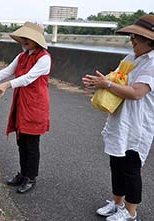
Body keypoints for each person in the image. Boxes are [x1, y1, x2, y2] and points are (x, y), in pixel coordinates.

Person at [82, 14, 154, 221]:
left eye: (137, 38)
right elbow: (115, 79)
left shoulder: (151, 63)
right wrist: (99, 82)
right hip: (120, 119)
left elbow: (137, 92)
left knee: (131, 168)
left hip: (137, 124)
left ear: (150, 41)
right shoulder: (130, 58)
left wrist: (107, 85)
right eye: (132, 36)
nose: (132, 41)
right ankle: (117, 203)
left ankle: (131, 212)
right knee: (117, 164)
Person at [0, 21, 52, 194]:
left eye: (28, 38)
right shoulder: (23, 55)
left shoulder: (44, 58)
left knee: (31, 143)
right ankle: (23, 173)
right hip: (22, 102)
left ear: (37, 39)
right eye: (23, 37)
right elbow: (8, 70)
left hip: (35, 105)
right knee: (21, 140)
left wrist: (5, 86)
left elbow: (28, 78)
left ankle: (30, 177)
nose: (24, 40)